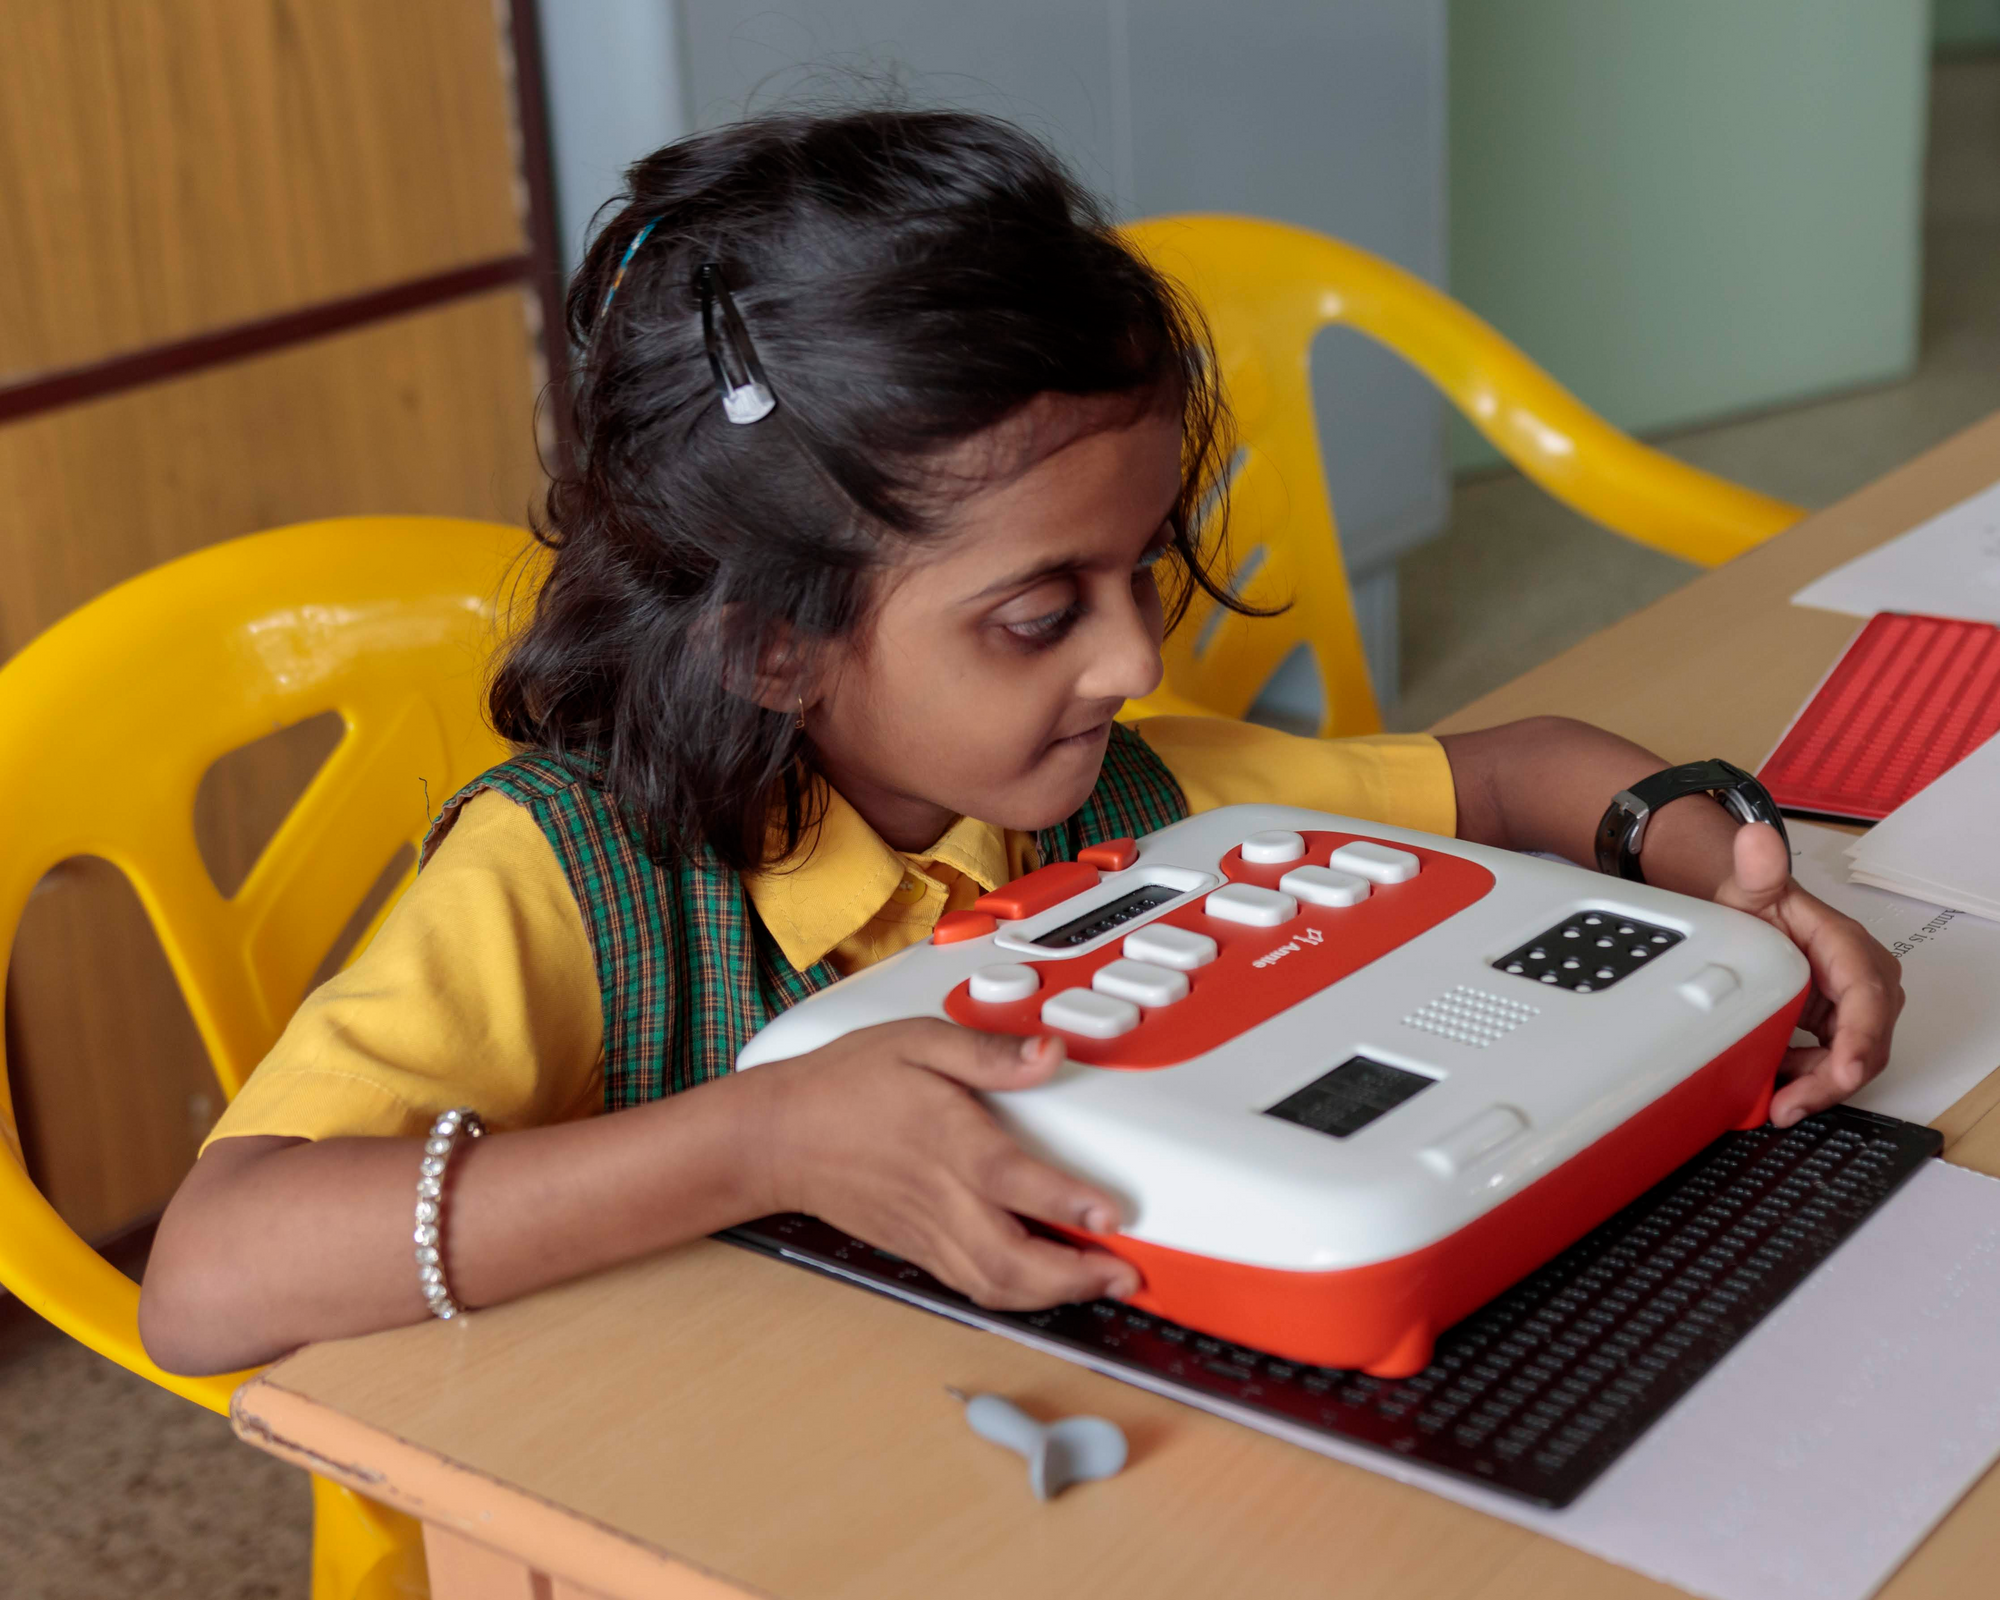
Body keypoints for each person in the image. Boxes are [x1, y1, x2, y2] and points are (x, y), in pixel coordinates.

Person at [138, 109, 1902, 1377]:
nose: (1139, 657)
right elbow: (207, 1280)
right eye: (1041, 612)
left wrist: (1717, 855)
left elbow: (1522, 772)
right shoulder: (564, 880)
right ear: (769, 641)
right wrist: (759, 1144)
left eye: (1141, 570)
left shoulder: (1133, 806)